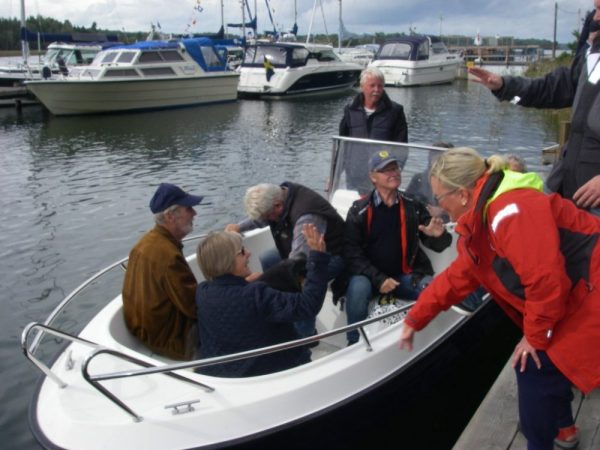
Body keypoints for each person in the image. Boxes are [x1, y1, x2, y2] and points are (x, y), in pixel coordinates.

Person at [399, 147, 600, 450]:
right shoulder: (483, 220)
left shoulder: (511, 211)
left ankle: (543, 440)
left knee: (532, 364)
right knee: (545, 361)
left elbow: (546, 280)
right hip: (576, 292)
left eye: (439, 198)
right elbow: (458, 277)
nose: (437, 207)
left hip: (591, 289)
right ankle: (563, 429)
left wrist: (534, 337)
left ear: (463, 195)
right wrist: (415, 318)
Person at [468, 2, 600, 216]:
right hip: (567, 187)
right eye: (596, 9)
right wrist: (504, 86)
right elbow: (555, 88)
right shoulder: (592, 55)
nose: (596, 17)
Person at [343, 150, 452, 345]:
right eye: (386, 170)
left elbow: (438, 244)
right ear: (373, 177)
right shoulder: (358, 210)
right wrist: (379, 279)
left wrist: (439, 235)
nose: (393, 173)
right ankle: (354, 343)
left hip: (406, 275)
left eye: (395, 168)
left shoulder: (413, 205)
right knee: (357, 289)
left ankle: (423, 339)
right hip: (369, 277)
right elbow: (351, 253)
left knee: (433, 291)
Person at [195, 224, 330, 377]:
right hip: (278, 373)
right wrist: (318, 258)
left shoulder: (202, 292)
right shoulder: (255, 295)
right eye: (242, 252)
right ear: (227, 261)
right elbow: (308, 305)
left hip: (221, 375)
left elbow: (233, 300)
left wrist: (244, 284)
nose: (249, 253)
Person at [225, 182, 346, 338]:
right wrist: (239, 227)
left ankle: (305, 336)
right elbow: (262, 218)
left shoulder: (306, 217)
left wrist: (259, 282)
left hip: (332, 255)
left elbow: (296, 263)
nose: (267, 220)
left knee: (298, 286)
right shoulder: (281, 195)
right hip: (299, 250)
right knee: (267, 258)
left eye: (268, 216)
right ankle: (278, 310)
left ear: (278, 205)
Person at [122, 183, 203, 361]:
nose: (194, 213)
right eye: (189, 208)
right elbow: (194, 307)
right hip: (170, 339)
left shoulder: (144, 243)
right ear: (170, 217)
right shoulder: (168, 255)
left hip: (146, 332)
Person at [339, 66, 409, 193]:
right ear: (362, 87)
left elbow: (401, 146)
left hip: (383, 176)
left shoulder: (395, 111)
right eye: (372, 85)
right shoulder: (350, 110)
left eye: (380, 86)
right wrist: (335, 174)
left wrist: (395, 171)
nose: (376, 90)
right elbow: (342, 146)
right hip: (355, 176)